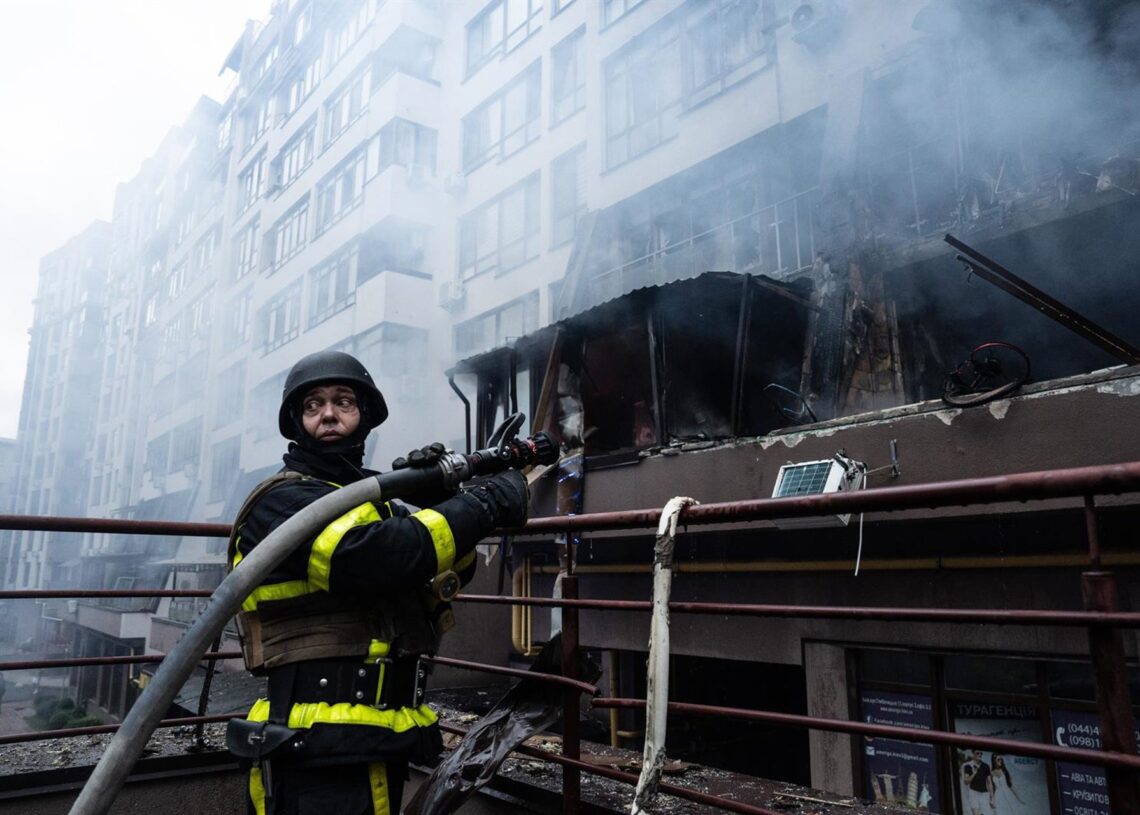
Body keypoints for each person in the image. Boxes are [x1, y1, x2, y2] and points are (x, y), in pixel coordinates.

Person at [225, 350, 530, 815]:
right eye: (313, 405)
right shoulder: (282, 501)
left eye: (343, 401)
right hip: (310, 744)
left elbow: (442, 572)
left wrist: (447, 498)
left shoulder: (373, 500)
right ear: (296, 419)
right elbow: (373, 559)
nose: (328, 413)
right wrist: (483, 505)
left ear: (364, 417)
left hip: (372, 735)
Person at [961, 749, 994, 814]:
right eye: (977, 753)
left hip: (984, 793)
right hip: (973, 793)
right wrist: (974, 773)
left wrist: (992, 798)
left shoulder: (985, 766)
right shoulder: (968, 766)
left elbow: (989, 782)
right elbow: (966, 781)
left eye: (981, 753)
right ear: (973, 754)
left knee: (985, 813)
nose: (980, 755)